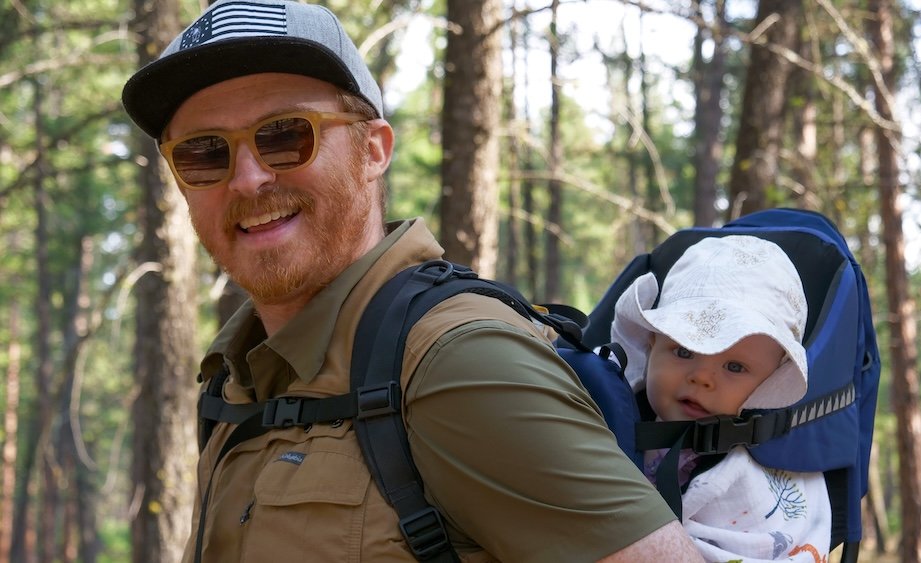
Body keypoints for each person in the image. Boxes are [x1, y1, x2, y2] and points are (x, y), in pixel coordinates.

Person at [121, 1, 703, 561]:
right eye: (203, 153)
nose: (247, 179)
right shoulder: (236, 377)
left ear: (372, 150)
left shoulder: (461, 363)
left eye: (284, 135)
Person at [611, 235, 832, 562]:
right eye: (683, 350)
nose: (702, 377)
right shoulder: (616, 422)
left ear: (771, 383)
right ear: (651, 345)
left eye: (734, 366)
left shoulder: (749, 474)